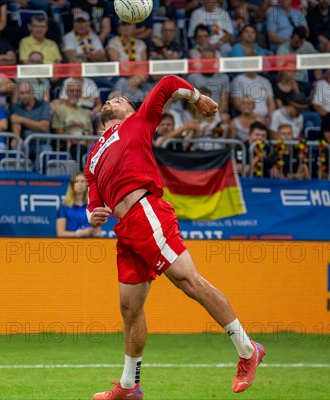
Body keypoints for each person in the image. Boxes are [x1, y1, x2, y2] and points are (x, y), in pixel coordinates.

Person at [86, 75, 265, 400]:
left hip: (147, 212)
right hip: (125, 230)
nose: (112, 101)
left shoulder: (138, 122)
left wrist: (197, 98)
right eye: (108, 100)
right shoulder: (93, 156)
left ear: (131, 110)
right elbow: (93, 201)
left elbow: (168, 83)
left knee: (188, 281)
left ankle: (248, 348)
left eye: (119, 100)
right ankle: (130, 386)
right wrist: (93, 215)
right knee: (129, 309)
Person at [56, 172, 101, 238]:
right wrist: (79, 234)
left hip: (90, 243)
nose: (80, 184)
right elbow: (60, 233)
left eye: (83, 181)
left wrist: (95, 232)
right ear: (72, 185)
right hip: (69, 244)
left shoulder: (93, 206)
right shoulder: (64, 206)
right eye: (77, 181)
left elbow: (98, 232)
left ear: (86, 185)